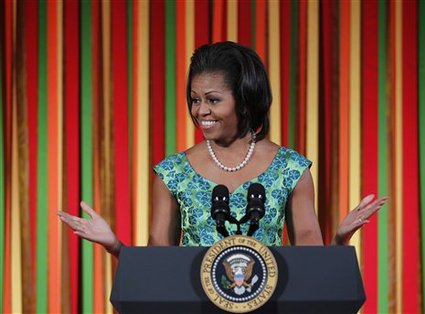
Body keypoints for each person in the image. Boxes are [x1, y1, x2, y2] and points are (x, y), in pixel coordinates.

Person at [57, 41, 387, 256]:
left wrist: (340, 241)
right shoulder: (173, 173)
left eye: (213, 100)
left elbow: (310, 268)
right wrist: (115, 247)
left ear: (244, 100)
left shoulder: (291, 169)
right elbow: (157, 269)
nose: (201, 111)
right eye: (195, 99)